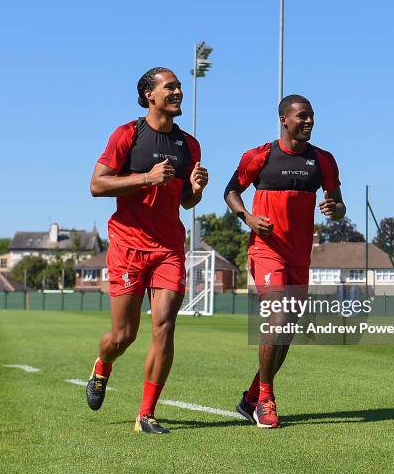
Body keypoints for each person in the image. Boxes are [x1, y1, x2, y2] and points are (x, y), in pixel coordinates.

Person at [87, 67, 208, 434]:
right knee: (123, 337)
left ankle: (146, 415)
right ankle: (102, 366)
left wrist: (197, 190)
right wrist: (146, 177)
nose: (178, 92)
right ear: (149, 96)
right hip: (128, 246)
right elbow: (96, 185)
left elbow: (186, 202)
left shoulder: (190, 145)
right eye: (170, 87)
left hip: (169, 247)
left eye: (179, 87)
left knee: (165, 327)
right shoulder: (127, 135)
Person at [224, 94, 345, 428]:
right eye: (302, 116)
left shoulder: (323, 160)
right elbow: (231, 190)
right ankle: (266, 398)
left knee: (287, 330)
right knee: (278, 319)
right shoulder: (260, 156)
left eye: (311, 117)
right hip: (266, 251)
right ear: (284, 119)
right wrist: (246, 216)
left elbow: (338, 205)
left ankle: (250, 398)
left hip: (299, 256)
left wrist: (335, 209)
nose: (308, 122)